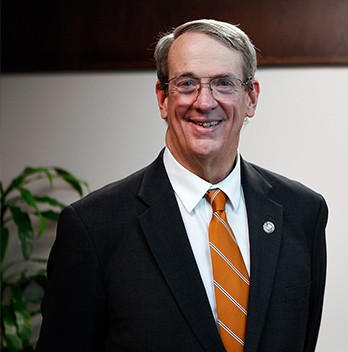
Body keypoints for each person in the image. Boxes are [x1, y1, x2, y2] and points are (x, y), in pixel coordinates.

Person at [36, 19, 328, 352]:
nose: (205, 102)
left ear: (251, 97)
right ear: (162, 98)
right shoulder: (95, 227)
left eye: (224, 83)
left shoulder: (303, 213)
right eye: (187, 84)